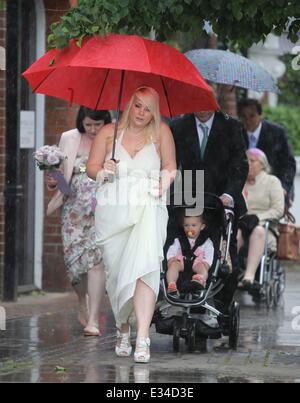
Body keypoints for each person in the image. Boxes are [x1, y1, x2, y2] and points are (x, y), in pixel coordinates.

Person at [87, 87, 176, 363]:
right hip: (113, 211)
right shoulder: (107, 133)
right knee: (117, 275)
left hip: (149, 207)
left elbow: (171, 166)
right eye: (138, 106)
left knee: (145, 269)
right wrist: (104, 170)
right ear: (129, 105)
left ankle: (142, 338)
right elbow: (90, 168)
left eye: (148, 109)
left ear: (155, 112)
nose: (141, 113)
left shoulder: (161, 132)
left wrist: (165, 181)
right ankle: (122, 326)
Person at [170, 110, 249, 312]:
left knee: (225, 255)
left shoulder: (233, 125)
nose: (202, 109)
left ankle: (220, 307)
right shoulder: (178, 125)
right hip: (188, 198)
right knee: (181, 246)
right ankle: (181, 293)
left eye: (207, 104)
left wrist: (229, 195)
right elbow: (171, 163)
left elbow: (240, 164)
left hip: (221, 200)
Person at [45, 106, 112, 337]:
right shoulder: (69, 138)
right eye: (88, 125)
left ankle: (93, 318)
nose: (93, 130)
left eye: (97, 124)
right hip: (73, 210)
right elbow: (63, 178)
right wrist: (54, 180)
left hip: (101, 210)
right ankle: (81, 300)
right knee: (74, 266)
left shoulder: (114, 140)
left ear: (106, 122)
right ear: (81, 122)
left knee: (97, 263)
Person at [237, 148, 285, 288]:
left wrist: (257, 217)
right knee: (235, 233)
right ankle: (228, 271)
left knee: (258, 231)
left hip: (264, 227)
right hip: (242, 224)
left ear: (262, 164)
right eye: (246, 161)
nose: (249, 164)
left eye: (253, 161)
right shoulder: (240, 182)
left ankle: (249, 276)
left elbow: (278, 210)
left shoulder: (272, 181)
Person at [237, 98, 296, 203]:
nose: (248, 120)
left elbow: (288, 164)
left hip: (273, 185)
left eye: (252, 116)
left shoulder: (277, 133)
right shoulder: (236, 133)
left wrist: (284, 188)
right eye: (243, 116)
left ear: (260, 115)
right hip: (244, 188)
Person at [166, 213, 214, 296]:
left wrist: (206, 264)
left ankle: (199, 281)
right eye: (186, 225)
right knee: (173, 266)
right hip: (181, 261)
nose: (190, 228)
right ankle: (171, 285)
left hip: (197, 262)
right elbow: (171, 250)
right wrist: (171, 260)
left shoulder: (206, 242)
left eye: (193, 225)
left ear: (201, 227)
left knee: (202, 268)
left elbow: (209, 255)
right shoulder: (179, 240)